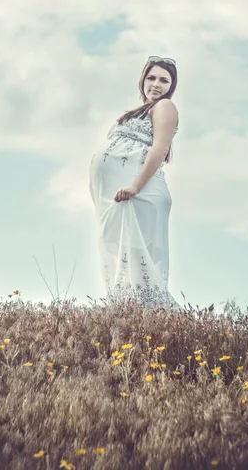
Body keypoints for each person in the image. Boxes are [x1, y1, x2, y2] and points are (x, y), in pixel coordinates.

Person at [89, 55, 182, 312]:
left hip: (142, 192)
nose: (156, 84)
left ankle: (157, 321)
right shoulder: (135, 112)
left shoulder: (164, 107)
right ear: (142, 80)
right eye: (151, 78)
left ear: (171, 86)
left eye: (164, 80)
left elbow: (159, 149)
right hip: (122, 195)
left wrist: (135, 186)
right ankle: (129, 315)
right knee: (123, 256)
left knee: (140, 260)